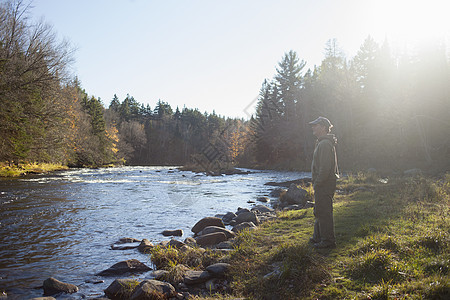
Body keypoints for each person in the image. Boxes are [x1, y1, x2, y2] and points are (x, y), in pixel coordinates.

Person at [309, 116, 338, 249]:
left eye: (315, 125)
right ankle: (317, 238)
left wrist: (318, 182)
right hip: (323, 183)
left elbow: (325, 168)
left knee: (324, 211)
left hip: (324, 184)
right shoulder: (322, 142)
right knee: (319, 210)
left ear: (323, 127)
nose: (313, 127)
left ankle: (327, 241)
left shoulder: (325, 144)